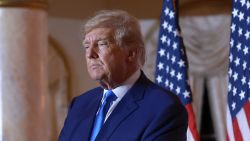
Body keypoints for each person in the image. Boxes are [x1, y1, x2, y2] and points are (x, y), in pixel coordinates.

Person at [58, 10, 188, 141]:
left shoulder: (163, 107)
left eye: (102, 44)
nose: (90, 54)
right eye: (87, 46)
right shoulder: (80, 104)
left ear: (131, 53)